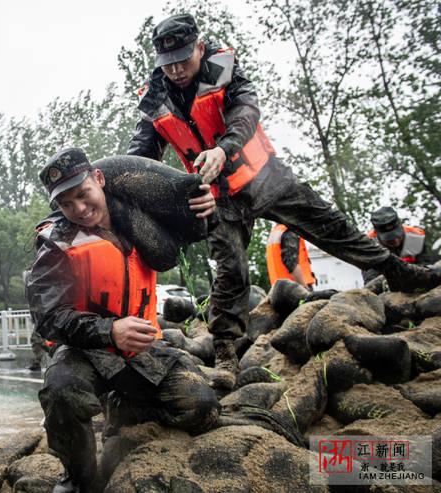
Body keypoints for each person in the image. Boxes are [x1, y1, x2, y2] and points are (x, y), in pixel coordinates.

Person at [127, 13, 441, 389]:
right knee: (230, 272)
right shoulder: (155, 97)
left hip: (263, 177)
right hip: (218, 196)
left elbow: (246, 111)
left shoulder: (224, 69)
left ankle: (398, 271)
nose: (176, 69)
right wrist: (142, 191)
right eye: (168, 63)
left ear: (199, 46)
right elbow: (142, 154)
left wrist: (224, 149)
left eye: (183, 58)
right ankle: (226, 354)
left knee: (331, 227)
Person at [26, 148, 220, 493]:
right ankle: (78, 475)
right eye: (66, 204)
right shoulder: (55, 242)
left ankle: (124, 406)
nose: (80, 210)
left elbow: (190, 228)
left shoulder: (140, 219)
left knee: (201, 404)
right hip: (85, 349)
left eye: (83, 194)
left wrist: (207, 210)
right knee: (60, 393)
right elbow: (47, 317)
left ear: (98, 180)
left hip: (141, 348)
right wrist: (109, 331)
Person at [362, 206, 436, 283]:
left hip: (416, 280)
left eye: (398, 235)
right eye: (389, 239)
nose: (396, 241)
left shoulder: (416, 236)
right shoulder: (368, 246)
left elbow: (426, 267)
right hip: (387, 285)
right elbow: (370, 280)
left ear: (400, 224)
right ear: (376, 233)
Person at [266, 223, 315, 289]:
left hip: (280, 290)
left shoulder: (275, 232)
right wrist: (304, 288)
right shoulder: (288, 231)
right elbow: (291, 262)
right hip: (295, 290)